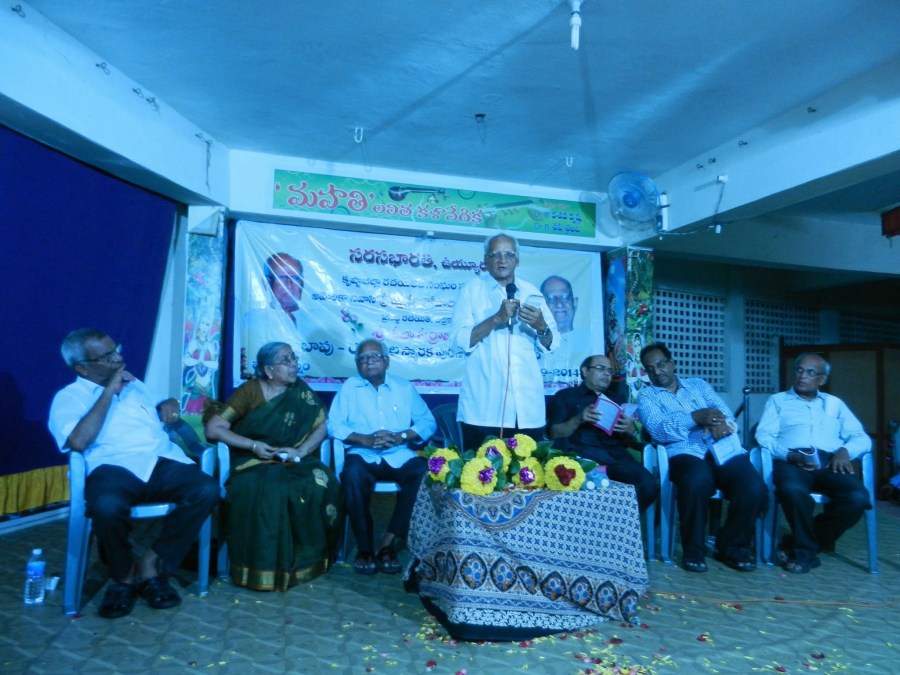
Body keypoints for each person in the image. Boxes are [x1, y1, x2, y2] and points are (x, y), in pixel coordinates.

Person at [48, 328, 218, 619]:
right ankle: (123, 576)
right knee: (106, 506)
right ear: (82, 368)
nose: (118, 358)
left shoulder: (134, 384)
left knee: (206, 489)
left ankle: (151, 564)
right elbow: (77, 441)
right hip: (111, 467)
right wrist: (107, 392)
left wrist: (169, 403)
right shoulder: (69, 398)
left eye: (116, 350)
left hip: (160, 460)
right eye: (106, 356)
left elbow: (160, 405)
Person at [204, 341, 341, 591]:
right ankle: (261, 566)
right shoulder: (250, 391)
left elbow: (322, 426)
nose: (294, 364)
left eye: (293, 358)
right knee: (268, 489)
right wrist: (253, 445)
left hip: (293, 459)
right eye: (286, 361)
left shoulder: (301, 391)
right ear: (268, 370)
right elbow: (214, 429)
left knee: (321, 482)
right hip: (252, 460)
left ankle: (306, 561)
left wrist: (300, 451)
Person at [637, 342, 767, 573]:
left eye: (661, 364)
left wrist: (720, 423)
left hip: (721, 447)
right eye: (650, 369)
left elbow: (725, 413)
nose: (657, 371)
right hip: (684, 453)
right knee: (697, 480)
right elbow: (659, 430)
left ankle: (731, 546)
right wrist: (695, 417)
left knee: (754, 486)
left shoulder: (698, 385)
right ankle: (694, 552)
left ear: (672, 363)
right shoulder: (647, 396)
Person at [755, 353, 872, 574]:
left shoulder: (835, 404)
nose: (802, 376)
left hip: (830, 461)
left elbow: (861, 437)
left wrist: (845, 451)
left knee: (858, 499)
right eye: (799, 370)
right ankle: (805, 553)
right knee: (791, 490)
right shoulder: (778, 401)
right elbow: (764, 436)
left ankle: (800, 542)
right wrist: (788, 455)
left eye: (810, 372)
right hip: (792, 459)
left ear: (822, 379)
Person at [327, 339, 437, 575]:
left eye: (375, 356)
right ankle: (365, 549)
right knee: (351, 476)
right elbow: (333, 424)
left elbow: (428, 423)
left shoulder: (403, 387)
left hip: (399, 452)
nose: (369, 362)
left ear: (386, 361)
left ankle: (387, 543)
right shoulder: (350, 388)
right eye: (363, 358)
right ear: (357, 364)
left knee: (423, 475)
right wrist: (364, 439)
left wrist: (401, 436)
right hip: (363, 453)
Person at [450, 233, 560, 450]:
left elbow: (553, 342)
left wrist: (541, 326)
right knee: (482, 471)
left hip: (527, 410)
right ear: (485, 260)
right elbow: (458, 341)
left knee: (529, 472)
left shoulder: (531, 291)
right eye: (495, 254)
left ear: (517, 259)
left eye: (509, 254)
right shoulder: (471, 291)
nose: (502, 260)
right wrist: (496, 319)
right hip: (483, 409)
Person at [548, 355, 658, 512]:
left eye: (609, 371)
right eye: (600, 368)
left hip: (615, 458)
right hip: (583, 457)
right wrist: (579, 419)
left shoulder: (617, 399)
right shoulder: (566, 396)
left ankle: (616, 522)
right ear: (585, 371)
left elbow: (630, 442)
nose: (606, 373)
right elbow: (554, 434)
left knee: (648, 484)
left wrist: (630, 430)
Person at [241, 252, 305, 377]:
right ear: (267, 283)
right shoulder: (254, 319)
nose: (290, 284)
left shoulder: (317, 321)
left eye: (295, 278)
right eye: (283, 278)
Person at [538, 275, 591, 387]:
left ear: (575, 302)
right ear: (541, 306)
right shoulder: (528, 342)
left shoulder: (591, 342)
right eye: (551, 299)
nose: (559, 304)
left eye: (565, 297)